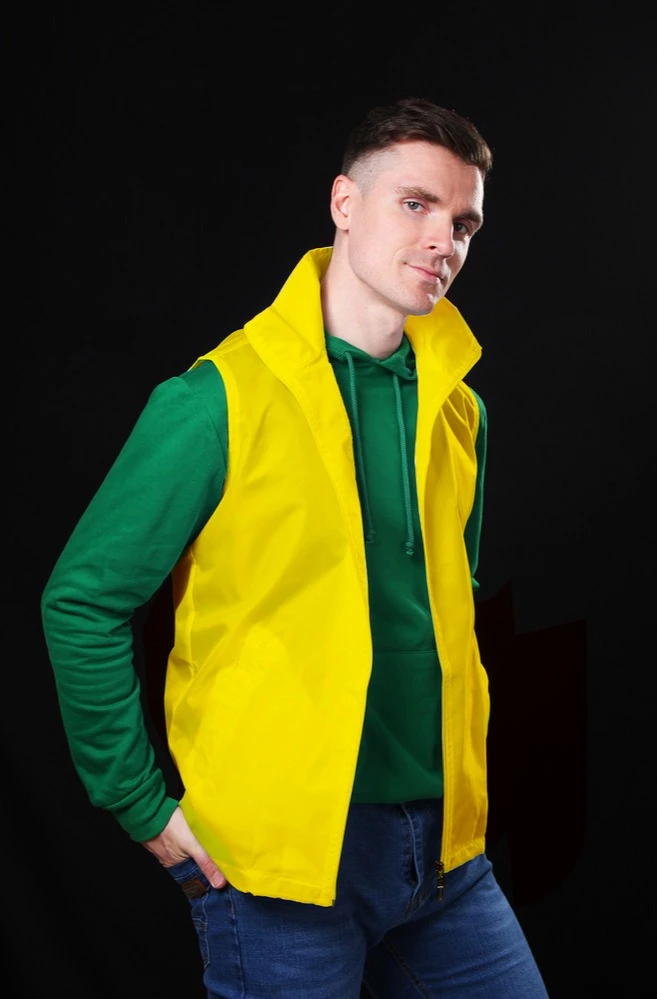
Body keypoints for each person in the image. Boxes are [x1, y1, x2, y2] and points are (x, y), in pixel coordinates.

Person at [41, 97, 550, 998]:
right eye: (416, 204)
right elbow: (83, 599)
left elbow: (451, 602)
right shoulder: (216, 398)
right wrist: (136, 800)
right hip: (279, 865)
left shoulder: (459, 410)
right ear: (344, 203)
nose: (444, 240)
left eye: (464, 223)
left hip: (445, 849)